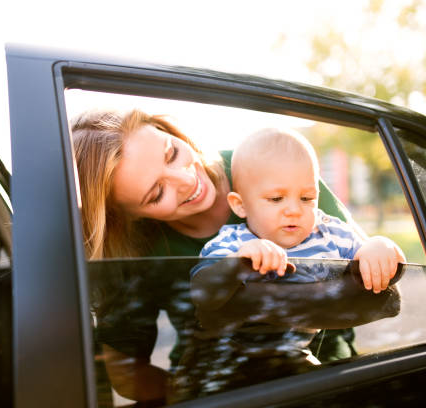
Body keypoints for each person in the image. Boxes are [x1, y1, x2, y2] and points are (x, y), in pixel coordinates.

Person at [71, 109, 393, 405]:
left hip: (323, 376)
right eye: (156, 194)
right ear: (128, 217)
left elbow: (375, 284)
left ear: (169, 131)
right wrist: (202, 395)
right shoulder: (136, 247)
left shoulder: (270, 164)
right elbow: (125, 372)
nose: (187, 181)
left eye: (172, 153)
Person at [195, 127, 405, 289]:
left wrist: (379, 246)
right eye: (277, 199)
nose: (294, 210)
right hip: (243, 345)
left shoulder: (331, 235)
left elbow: (380, 262)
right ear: (240, 205)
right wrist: (236, 263)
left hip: (315, 341)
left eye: (306, 198)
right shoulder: (233, 243)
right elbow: (201, 288)